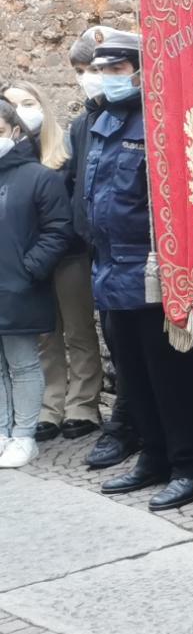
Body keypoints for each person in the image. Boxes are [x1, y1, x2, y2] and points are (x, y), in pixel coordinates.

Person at [85, 30, 193, 510]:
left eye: (117, 70)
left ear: (143, 72)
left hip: (157, 273)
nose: (108, 79)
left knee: (172, 376)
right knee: (133, 376)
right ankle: (154, 454)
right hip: (110, 271)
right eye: (103, 71)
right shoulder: (105, 121)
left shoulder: (165, 121)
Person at [3, 79, 101, 446]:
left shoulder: (66, 147)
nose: (22, 110)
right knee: (45, 335)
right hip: (28, 259)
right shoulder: (12, 152)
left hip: (70, 254)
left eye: (28, 102)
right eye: (12, 105)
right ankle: (50, 405)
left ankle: (84, 405)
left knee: (78, 330)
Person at [66, 29, 140, 472]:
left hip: (132, 254)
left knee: (134, 352)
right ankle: (130, 428)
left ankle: (127, 426)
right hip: (101, 253)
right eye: (84, 72)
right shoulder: (86, 122)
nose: (91, 79)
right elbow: (81, 185)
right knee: (118, 344)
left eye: (99, 69)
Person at [0, 97, 75, 468]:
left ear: (14, 132)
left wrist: (28, 269)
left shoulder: (39, 177)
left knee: (22, 362)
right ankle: (1, 431)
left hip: (19, 286)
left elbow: (58, 231)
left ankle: (23, 435)